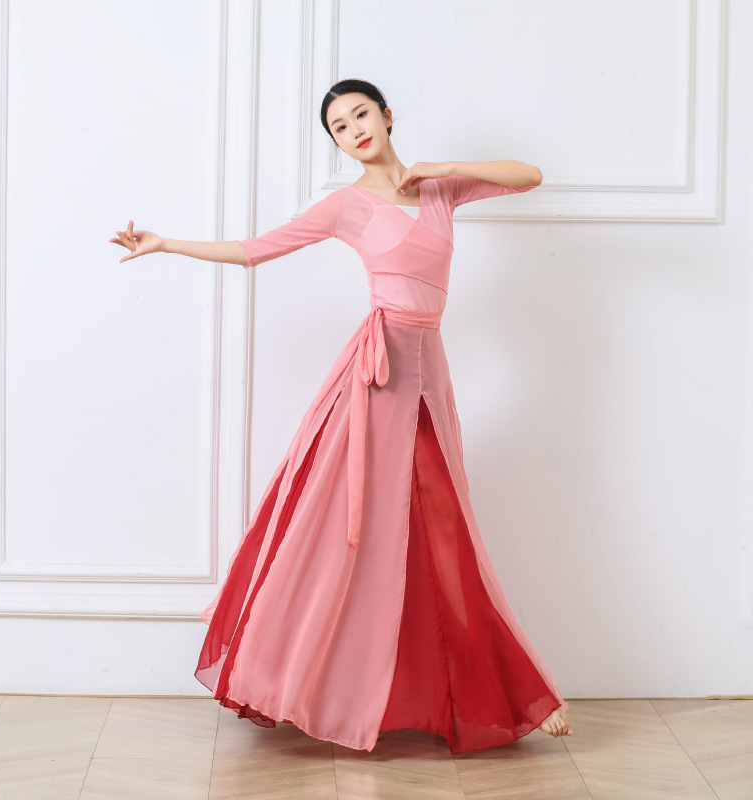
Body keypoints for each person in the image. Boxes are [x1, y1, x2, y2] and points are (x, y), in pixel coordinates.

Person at [109, 78, 573, 752]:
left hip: (430, 373)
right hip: (379, 375)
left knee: (444, 523)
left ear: (387, 116)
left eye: (361, 115)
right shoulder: (345, 207)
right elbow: (252, 251)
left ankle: (497, 689)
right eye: (339, 127)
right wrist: (167, 244)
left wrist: (441, 167)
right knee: (354, 526)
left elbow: (529, 175)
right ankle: (304, 680)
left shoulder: (439, 190)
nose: (354, 130)